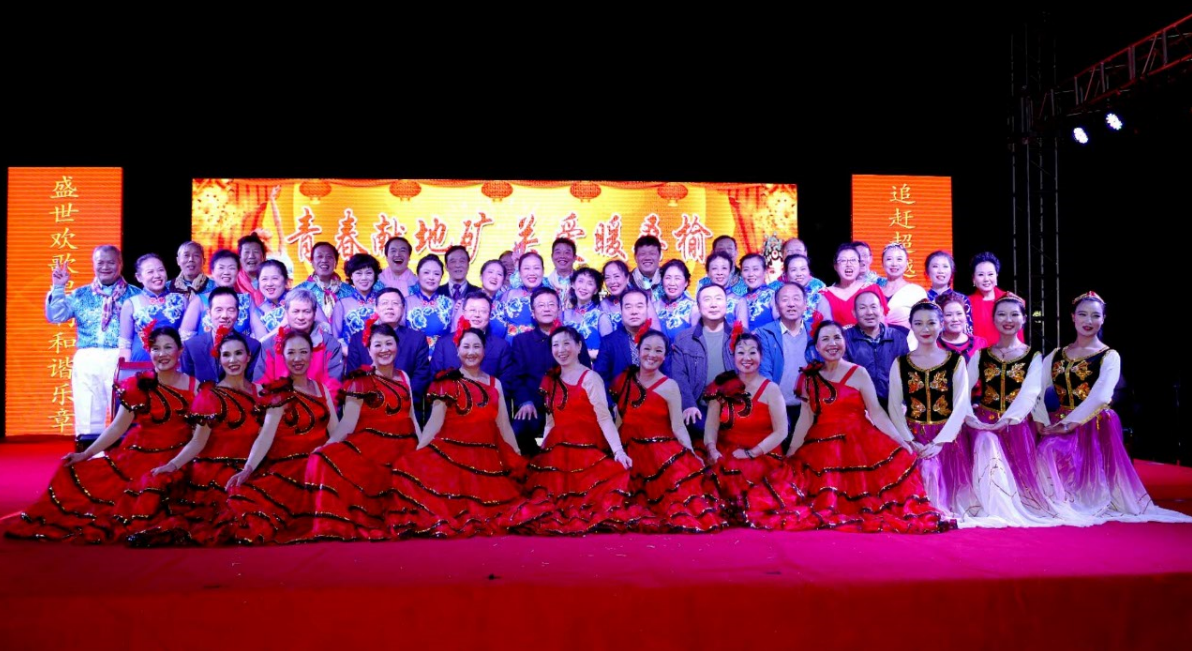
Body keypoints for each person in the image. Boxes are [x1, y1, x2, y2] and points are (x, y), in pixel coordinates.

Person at [7, 326, 195, 543]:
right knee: (74, 473)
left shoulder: (195, 386)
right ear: (148, 351)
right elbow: (117, 427)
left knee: (155, 490)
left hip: (177, 458)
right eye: (156, 348)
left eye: (168, 347)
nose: (162, 354)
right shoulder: (138, 385)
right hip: (138, 457)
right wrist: (85, 454)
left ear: (180, 350)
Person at [1036, 293, 1192, 524]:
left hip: (1093, 422)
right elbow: (1037, 389)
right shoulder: (1056, 354)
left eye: (1095, 316)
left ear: (1103, 319)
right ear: (1073, 317)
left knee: (1052, 449)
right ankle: (1057, 501)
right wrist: (1040, 420)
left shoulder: (1109, 356)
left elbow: (1101, 396)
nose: (1088, 321)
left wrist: (1068, 425)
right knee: (1043, 450)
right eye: (1082, 314)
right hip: (1058, 419)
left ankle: (1079, 499)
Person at [785, 321, 952, 533]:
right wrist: (792, 451)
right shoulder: (809, 379)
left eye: (837, 337)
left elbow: (876, 412)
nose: (832, 343)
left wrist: (900, 440)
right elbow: (805, 419)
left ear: (845, 341)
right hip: (822, 446)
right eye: (825, 339)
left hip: (859, 441)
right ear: (817, 347)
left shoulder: (859, 373)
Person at [386, 326, 540, 537]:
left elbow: (503, 425)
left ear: (484, 351)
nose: (471, 352)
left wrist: (516, 456)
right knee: (405, 467)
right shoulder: (446, 383)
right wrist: (419, 452)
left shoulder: (495, 384)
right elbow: (434, 423)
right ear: (457, 351)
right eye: (466, 347)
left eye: (476, 347)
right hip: (452, 453)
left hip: (487, 457)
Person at [124, 330, 262, 546]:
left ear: (248, 356)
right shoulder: (210, 396)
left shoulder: (260, 393)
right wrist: (172, 465)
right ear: (219, 359)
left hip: (252, 466)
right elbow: (198, 441)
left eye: (238, 353)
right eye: (226, 355)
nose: (233, 360)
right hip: (217, 471)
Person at [302, 323, 424, 542]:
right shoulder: (360, 380)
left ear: (397, 346)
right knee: (323, 459)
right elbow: (348, 423)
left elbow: (412, 416)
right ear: (368, 350)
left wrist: (423, 448)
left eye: (389, 343)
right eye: (377, 345)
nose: (384, 349)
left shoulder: (404, 376)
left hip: (404, 446)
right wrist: (328, 444)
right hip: (372, 446)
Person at [216, 329, 339, 544]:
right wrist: (248, 468)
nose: (297, 358)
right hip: (288, 469)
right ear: (283, 355)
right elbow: (265, 435)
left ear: (312, 354)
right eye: (291, 353)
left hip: (319, 467)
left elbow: (335, 432)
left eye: (303, 352)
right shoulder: (278, 392)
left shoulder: (322, 389)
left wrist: (328, 458)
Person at [522, 326, 646, 534]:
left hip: (586, 449)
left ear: (579, 346)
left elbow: (604, 417)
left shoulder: (590, 378)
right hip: (557, 452)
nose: (561, 349)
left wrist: (618, 451)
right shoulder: (550, 380)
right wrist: (544, 455)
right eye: (556, 345)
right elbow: (550, 422)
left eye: (566, 343)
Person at [610, 330, 723, 532]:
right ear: (638, 350)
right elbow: (620, 419)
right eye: (647, 349)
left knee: (676, 498)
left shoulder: (670, 385)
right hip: (629, 450)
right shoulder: (625, 380)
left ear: (664, 356)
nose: (651, 355)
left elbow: (678, 425)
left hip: (659, 452)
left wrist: (689, 452)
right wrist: (614, 450)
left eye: (658, 351)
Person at [963, 293, 1057, 520]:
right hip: (984, 422)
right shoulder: (981, 355)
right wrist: (970, 418)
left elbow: (1030, 393)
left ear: (1024, 319)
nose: (1008, 320)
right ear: (993, 319)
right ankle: (990, 504)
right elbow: (963, 390)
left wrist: (1008, 419)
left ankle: (1009, 504)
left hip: (1016, 425)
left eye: (1014, 315)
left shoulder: (1033, 356)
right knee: (986, 441)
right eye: (1002, 314)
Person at [702, 331, 805, 529]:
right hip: (727, 449)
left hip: (763, 454)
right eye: (741, 352)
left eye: (752, 352)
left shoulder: (771, 389)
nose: (746, 358)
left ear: (761, 356)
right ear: (733, 356)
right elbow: (711, 425)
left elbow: (781, 431)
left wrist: (752, 453)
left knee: (745, 475)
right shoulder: (721, 386)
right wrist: (712, 449)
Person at [886, 301, 974, 521]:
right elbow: (894, 405)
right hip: (913, 436)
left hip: (948, 438)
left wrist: (941, 442)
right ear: (911, 326)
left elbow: (961, 403)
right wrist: (909, 440)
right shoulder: (901, 363)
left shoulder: (955, 361)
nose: (925, 329)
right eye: (919, 323)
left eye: (931, 323)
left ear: (941, 324)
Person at [46, 244, 141, 447]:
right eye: (100, 262)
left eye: (111, 262)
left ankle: (126, 457)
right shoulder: (80, 294)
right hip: (88, 358)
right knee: (88, 409)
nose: (105, 267)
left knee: (124, 411)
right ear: (93, 264)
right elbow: (56, 316)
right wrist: (58, 287)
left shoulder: (135, 295)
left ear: (120, 264)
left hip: (122, 358)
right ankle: (89, 457)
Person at [509, 287, 593, 455]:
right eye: (541, 305)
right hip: (535, 406)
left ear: (559, 309)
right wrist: (525, 402)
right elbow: (516, 378)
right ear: (533, 312)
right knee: (517, 431)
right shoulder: (521, 341)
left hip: (569, 405)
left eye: (551, 304)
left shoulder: (574, 338)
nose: (546, 309)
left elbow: (586, 373)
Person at [671, 284, 736, 444]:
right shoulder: (684, 339)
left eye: (718, 299)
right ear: (699, 307)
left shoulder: (741, 335)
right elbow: (679, 377)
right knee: (699, 427)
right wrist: (688, 405)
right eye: (707, 300)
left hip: (735, 404)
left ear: (726, 304)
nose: (713, 304)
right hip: (700, 405)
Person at [344, 288, 430, 400]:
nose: (390, 307)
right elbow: (353, 375)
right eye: (384, 303)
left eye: (395, 303)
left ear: (403, 309)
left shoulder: (417, 339)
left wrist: (401, 399)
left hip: (406, 401)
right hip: (368, 402)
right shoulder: (358, 339)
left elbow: (421, 377)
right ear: (376, 308)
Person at [254, 288, 344, 395]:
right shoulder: (270, 344)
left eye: (306, 311)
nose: (301, 317)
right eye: (296, 311)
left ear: (314, 313)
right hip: (278, 403)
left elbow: (333, 388)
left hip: (318, 403)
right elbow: (261, 386)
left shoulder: (330, 345)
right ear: (286, 313)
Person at [754, 282, 810, 447]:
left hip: (810, 407)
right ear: (777, 306)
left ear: (805, 304)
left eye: (796, 299)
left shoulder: (815, 332)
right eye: (785, 300)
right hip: (778, 407)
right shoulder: (765, 333)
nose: (791, 304)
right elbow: (764, 373)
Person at [118, 253, 196, 361]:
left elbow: (189, 339)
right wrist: (124, 368)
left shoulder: (181, 300)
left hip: (175, 364)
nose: (157, 275)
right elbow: (125, 345)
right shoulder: (131, 304)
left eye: (161, 270)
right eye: (150, 272)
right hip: (140, 365)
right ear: (139, 277)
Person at [431, 292, 515, 388]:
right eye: (472, 310)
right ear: (463, 313)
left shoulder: (501, 347)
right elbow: (434, 381)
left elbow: (505, 386)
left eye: (483, 311)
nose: (477, 315)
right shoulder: (444, 344)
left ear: (489, 315)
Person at [843, 286, 907, 409]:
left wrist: (903, 402)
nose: (869, 312)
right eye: (863, 308)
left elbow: (906, 374)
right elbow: (843, 378)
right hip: (859, 407)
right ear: (854, 313)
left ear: (881, 310)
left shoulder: (897, 337)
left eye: (873, 307)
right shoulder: (845, 339)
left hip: (894, 405)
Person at [181, 287, 263, 383]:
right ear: (209, 313)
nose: (224, 315)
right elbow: (187, 384)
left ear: (238, 313)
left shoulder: (252, 346)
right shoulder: (192, 346)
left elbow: (251, 384)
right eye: (218, 310)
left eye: (231, 310)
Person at [593, 288, 666, 389]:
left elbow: (668, 377)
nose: (634, 312)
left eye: (639, 306)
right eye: (628, 307)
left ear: (647, 309)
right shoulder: (609, 342)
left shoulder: (660, 340)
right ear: (621, 310)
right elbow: (600, 380)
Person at [179, 249, 253, 338]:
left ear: (238, 272)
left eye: (231, 268)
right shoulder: (199, 301)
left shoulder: (247, 300)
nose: (226, 272)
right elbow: (185, 337)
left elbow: (259, 334)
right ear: (212, 272)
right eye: (221, 268)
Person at [403, 254, 456, 356]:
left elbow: (455, 336)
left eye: (436, 274)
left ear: (441, 277)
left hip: (441, 358)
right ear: (417, 275)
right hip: (412, 357)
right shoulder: (406, 303)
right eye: (426, 273)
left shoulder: (450, 304)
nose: (431, 277)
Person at [330, 252, 383, 349]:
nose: (364, 278)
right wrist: (351, 354)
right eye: (358, 273)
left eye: (368, 273)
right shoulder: (341, 304)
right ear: (351, 276)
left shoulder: (383, 301)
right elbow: (336, 338)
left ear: (375, 275)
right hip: (351, 356)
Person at [968, 252, 1022, 345]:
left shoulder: (1010, 300)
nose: (986, 279)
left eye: (990, 274)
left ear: (996, 276)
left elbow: (1018, 335)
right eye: (981, 274)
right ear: (973, 279)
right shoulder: (966, 303)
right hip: (978, 352)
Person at [880, 243, 927, 347]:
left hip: (908, 347)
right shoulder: (874, 291)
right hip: (877, 348)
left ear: (907, 263)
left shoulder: (917, 292)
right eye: (889, 259)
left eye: (899, 259)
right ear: (882, 263)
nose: (894, 263)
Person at [494, 251, 547, 341]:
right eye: (526, 268)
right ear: (519, 272)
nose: (532, 273)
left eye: (536, 268)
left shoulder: (551, 296)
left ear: (543, 271)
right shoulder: (508, 295)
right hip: (511, 346)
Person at [295, 242, 353, 319]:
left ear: (336, 263)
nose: (324, 260)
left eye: (329, 257)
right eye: (319, 256)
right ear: (312, 262)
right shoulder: (299, 292)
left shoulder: (349, 292)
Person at [563, 267, 611, 358]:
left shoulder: (601, 317)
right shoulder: (565, 315)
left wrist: (581, 353)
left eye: (590, 283)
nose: (584, 287)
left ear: (596, 290)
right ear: (573, 284)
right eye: (580, 281)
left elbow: (609, 351)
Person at [818, 244, 866, 327]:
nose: (849, 264)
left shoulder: (871, 289)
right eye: (843, 260)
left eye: (853, 260)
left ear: (859, 264)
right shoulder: (824, 294)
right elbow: (822, 328)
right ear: (835, 266)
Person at [925, 250, 972, 333]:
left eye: (945, 266)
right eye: (935, 266)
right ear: (927, 272)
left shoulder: (962, 299)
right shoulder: (922, 298)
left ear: (952, 272)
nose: (940, 271)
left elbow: (969, 331)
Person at [654, 259, 698, 342]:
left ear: (686, 282)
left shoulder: (694, 308)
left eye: (677, 278)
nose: (672, 283)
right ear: (662, 281)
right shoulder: (654, 307)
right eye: (668, 278)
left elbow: (696, 342)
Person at [701, 252, 749, 327]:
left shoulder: (739, 301)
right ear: (708, 272)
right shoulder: (702, 300)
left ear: (730, 271)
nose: (720, 273)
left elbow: (744, 331)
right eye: (714, 268)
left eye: (724, 268)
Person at [936, 290, 987, 360]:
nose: (955, 319)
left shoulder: (980, 343)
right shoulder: (933, 344)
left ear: (965, 316)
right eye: (949, 315)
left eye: (959, 314)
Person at [249, 259, 291, 340]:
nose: (269, 284)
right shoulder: (258, 313)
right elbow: (262, 343)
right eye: (264, 279)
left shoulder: (299, 299)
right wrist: (283, 325)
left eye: (275, 278)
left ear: (286, 280)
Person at [784, 253, 827, 330]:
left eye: (803, 269)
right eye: (793, 270)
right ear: (786, 273)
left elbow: (827, 318)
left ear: (809, 271)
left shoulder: (819, 288)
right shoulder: (781, 291)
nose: (799, 274)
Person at [740, 253, 778, 330]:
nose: (751, 274)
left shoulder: (773, 296)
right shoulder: (740, 299)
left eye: (755, 269)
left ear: (765, 272)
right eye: (746, 270)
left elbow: (780, 324)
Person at [235, 233, 267, 304]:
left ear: (264, 257)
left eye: (256, 252)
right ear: (239, 258)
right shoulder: (233, 282)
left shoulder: (273, 280)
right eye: (246, 252)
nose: (251, 256)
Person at [630, 235, 664, 300]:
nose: (647, 257)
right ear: (635, 257)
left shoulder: (668, 280)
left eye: (652, 253)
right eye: (642, 254)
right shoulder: (626, 281)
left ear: (660, 256)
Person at [544, 238, 577, 305]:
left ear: (574, 257)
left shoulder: (581, 283)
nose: (562, 256)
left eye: (567, 252)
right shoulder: (544, 284)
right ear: (552, 257)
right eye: (558, 252)